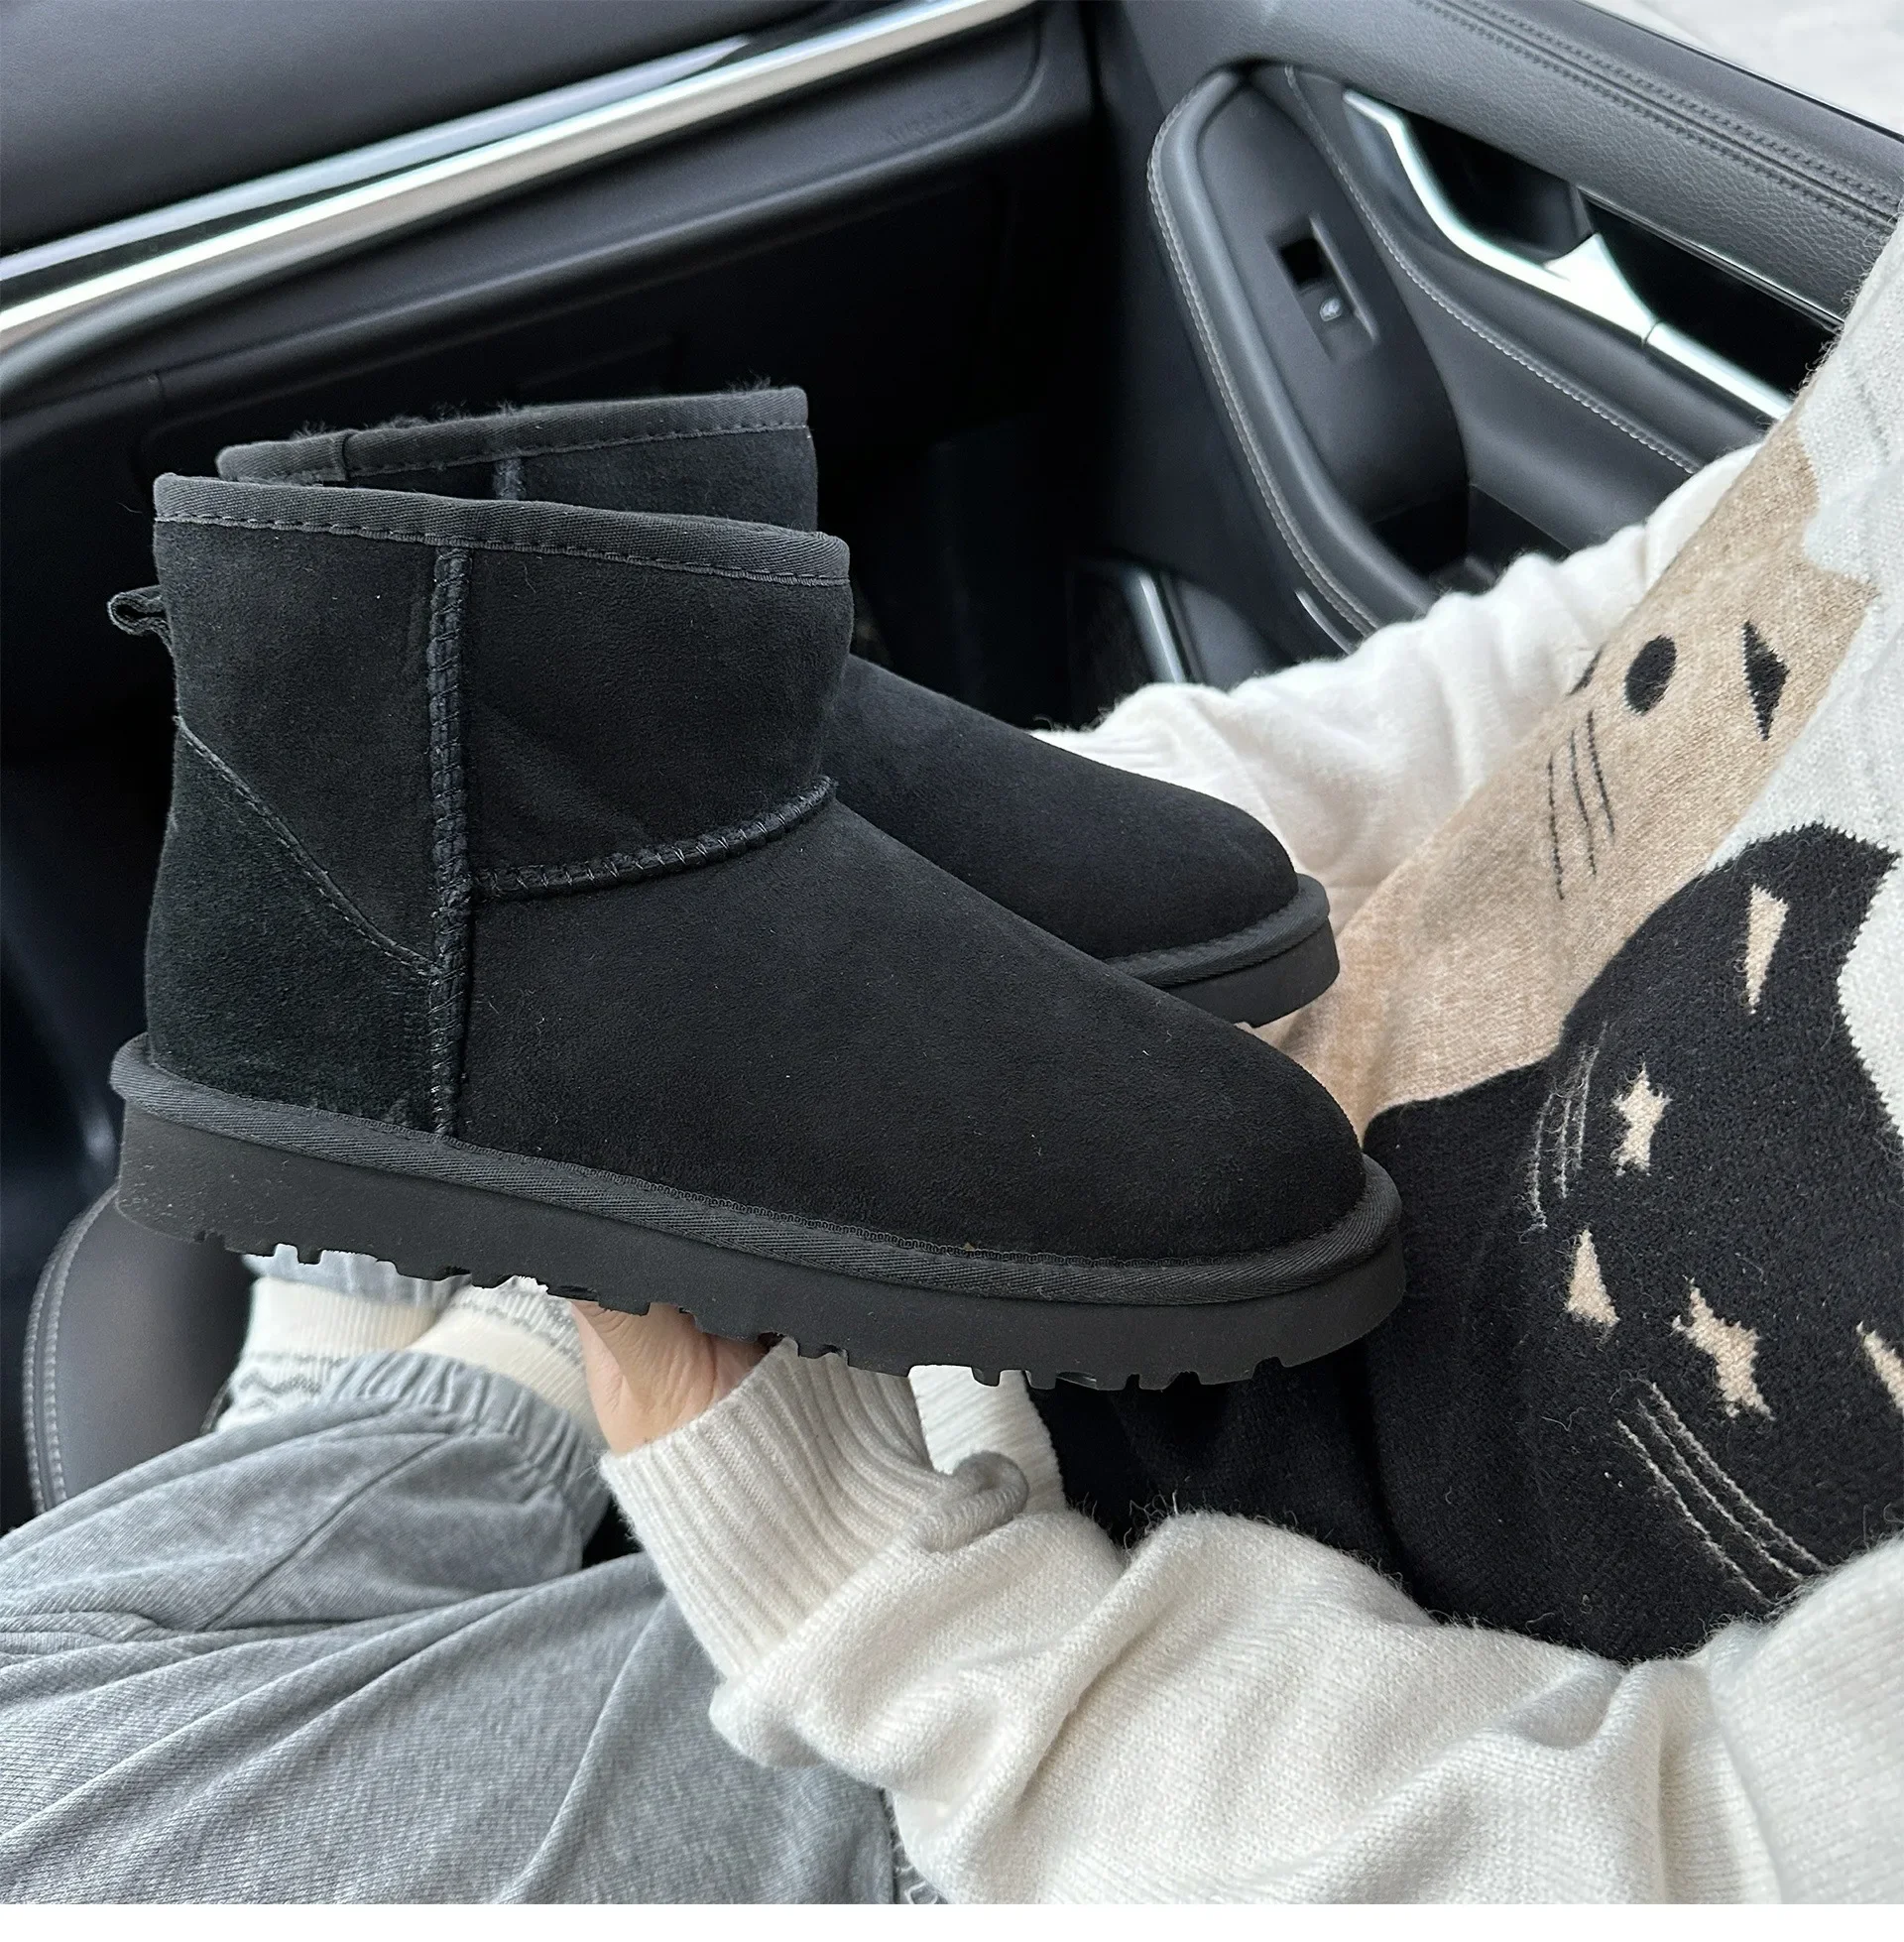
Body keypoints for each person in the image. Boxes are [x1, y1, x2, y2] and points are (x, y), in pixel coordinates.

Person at [3, 224, 1900, 1904]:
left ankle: (425, 1309)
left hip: (1164, 1751)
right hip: (1009, 1354)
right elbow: (1693, 612)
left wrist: (870, 1589)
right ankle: (446, 1258)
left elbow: (1703, 1874)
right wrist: (854, 846)